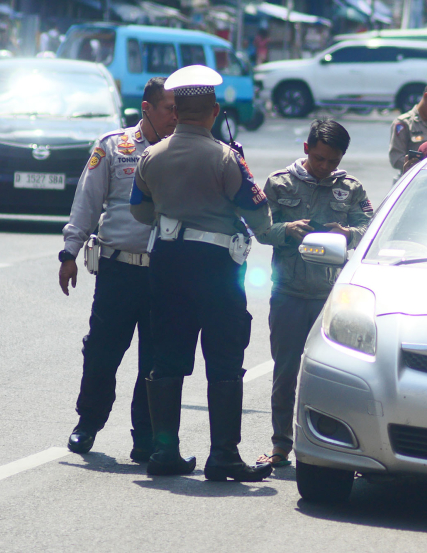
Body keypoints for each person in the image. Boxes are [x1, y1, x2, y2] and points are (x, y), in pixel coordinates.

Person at [130, 65, 273, 482]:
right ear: (212, 111)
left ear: (178, 112)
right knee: (225, 358)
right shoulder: (226, 158)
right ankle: (224, 455)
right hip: (216, 270)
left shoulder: (150, 157)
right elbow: (258, 215)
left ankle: (164, 453)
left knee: (167, 356)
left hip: (168, 263)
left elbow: (140, 212)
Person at [60, 77, 177, 460]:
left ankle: (145, 438)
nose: (175, 118)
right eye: (168, 109)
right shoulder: (114, 146)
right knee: (101, 352)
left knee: (155, 361)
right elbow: (87, 202)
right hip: (118, 271)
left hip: (163, 274)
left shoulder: (185, 151)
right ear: (147, 109)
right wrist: (69, 252)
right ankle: (87, 424)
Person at [254, 119, 373, 468]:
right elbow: (260, 228)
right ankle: (280, 445)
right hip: (288, 293)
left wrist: (347, 233)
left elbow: (371, 227)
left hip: (331, 298)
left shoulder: (350, 188)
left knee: (337, 374)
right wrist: (285, 230)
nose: (324, 168)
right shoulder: (278, 183)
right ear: (306, 150)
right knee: (286, 371)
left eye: (332, 162)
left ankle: (340, 447)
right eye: (319, 159)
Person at [388, 74, 427, 174]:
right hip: (413, 181)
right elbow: (396, 158)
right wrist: (420, 165)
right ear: (426, 96)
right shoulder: (403, 123)